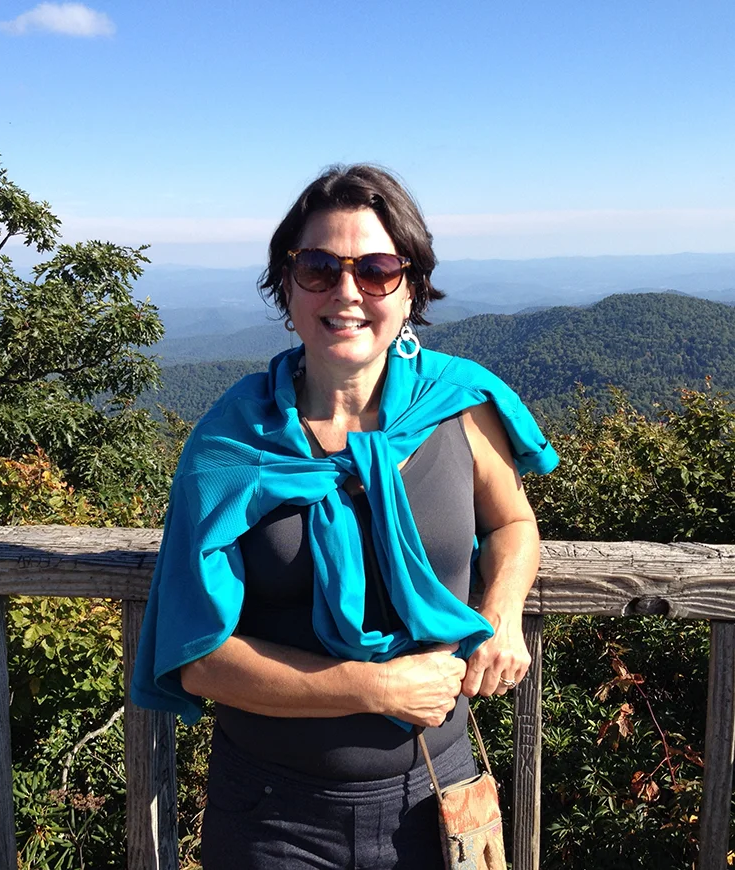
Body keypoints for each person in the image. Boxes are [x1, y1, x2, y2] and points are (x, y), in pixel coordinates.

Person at [131, 164, 558, 869]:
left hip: (440, 793)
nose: (347, 291)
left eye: (378, 268)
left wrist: (505, 612)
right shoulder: (232, 444)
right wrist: (372, 686)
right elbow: (198, 657)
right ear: (287, 286)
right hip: (274, 817)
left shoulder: (459, 406)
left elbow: (513, 524)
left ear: (413, 285)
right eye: (319, 267)